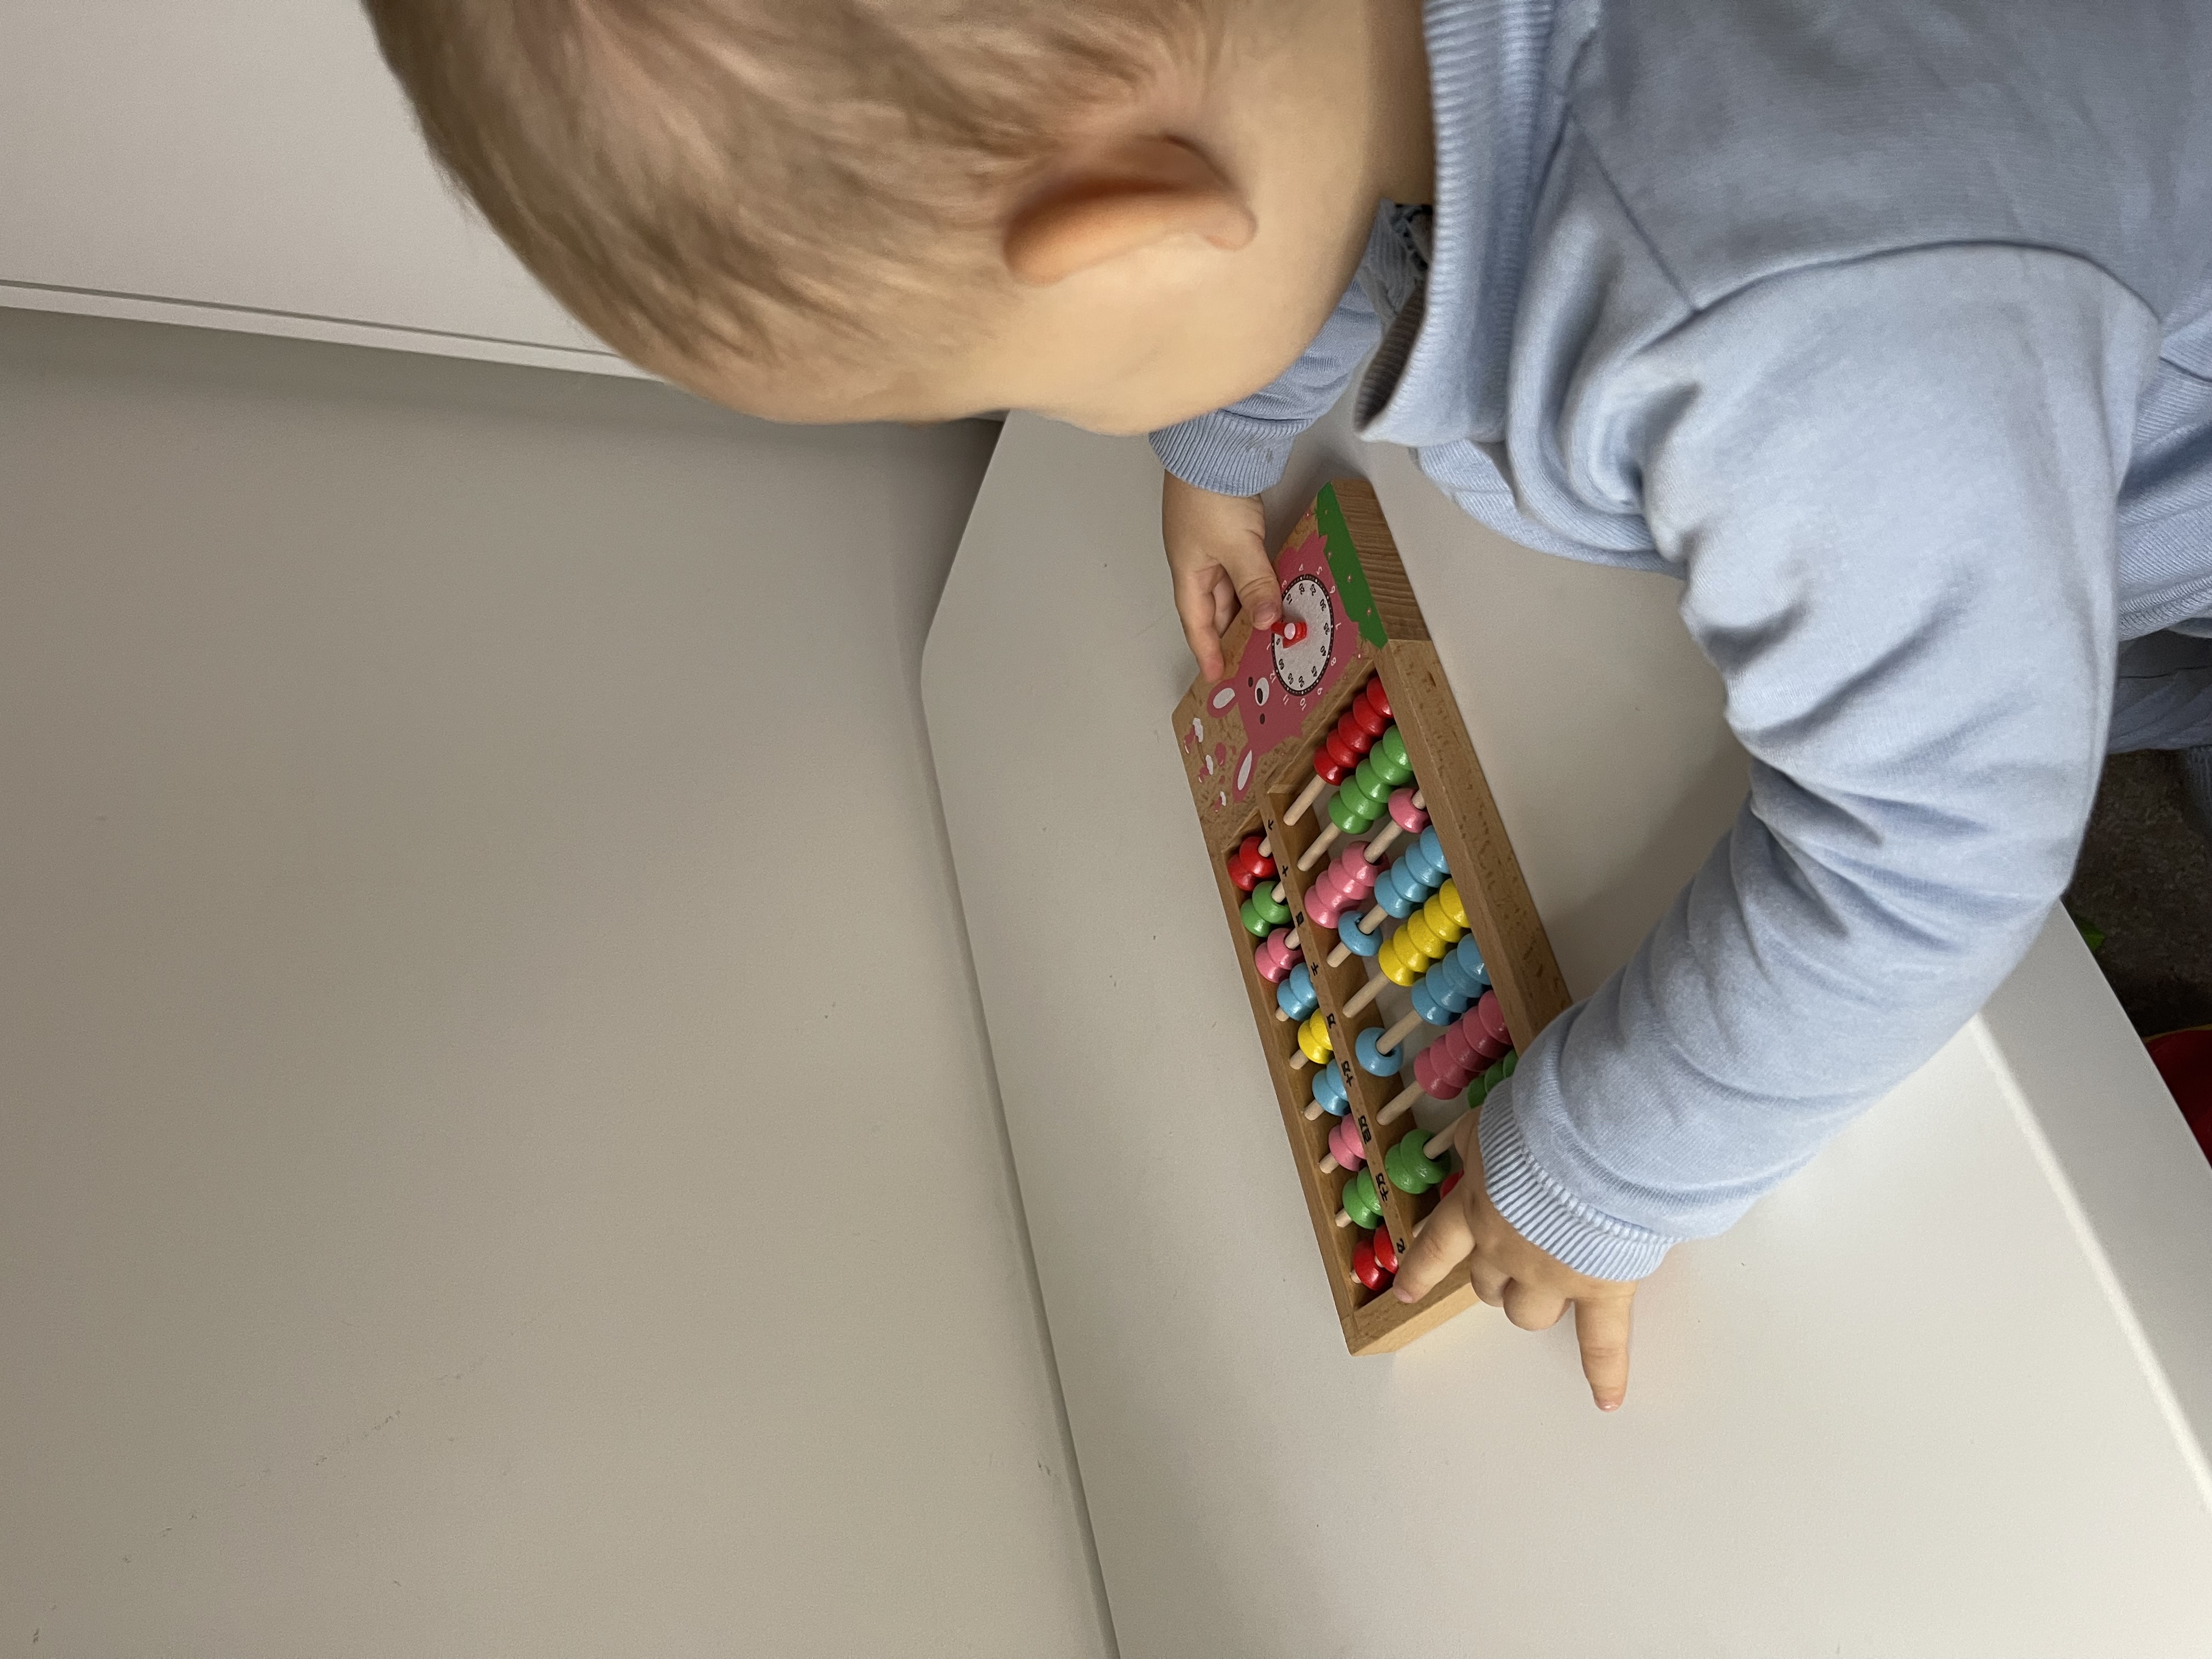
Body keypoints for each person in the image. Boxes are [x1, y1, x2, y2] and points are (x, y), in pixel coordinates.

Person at [363, 0, 2212, 1410]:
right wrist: (1220, 436)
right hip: (2027, 404)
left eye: (1056, 383)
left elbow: (1937, 845)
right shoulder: (1362, 63)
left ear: (1148, 234)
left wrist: (1599, 1163)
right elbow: (1340, 161)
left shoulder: (1770, 319)